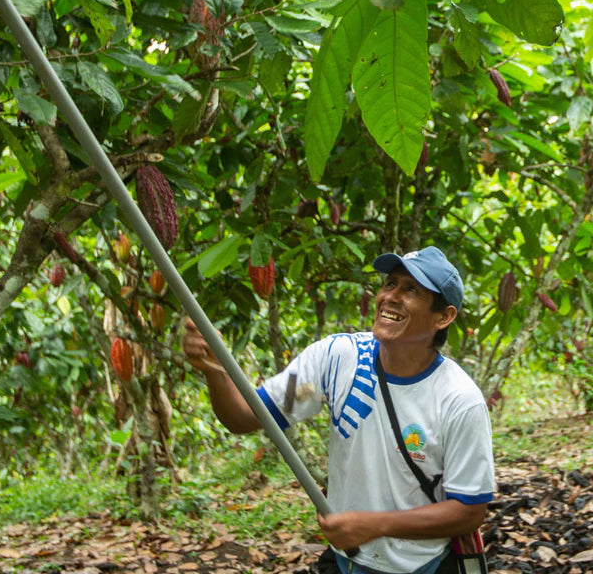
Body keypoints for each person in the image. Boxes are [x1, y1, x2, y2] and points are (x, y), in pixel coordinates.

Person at [183, 246, 494, 574]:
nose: (391, 297)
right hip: (346, 561)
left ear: (443, 317)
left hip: (422, 565)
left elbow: (470, 512)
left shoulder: (460, 400)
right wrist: (214, 369)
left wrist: (376, 525)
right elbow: (245, 415)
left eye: (411, 290)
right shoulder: (333, 359)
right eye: (390, 284)